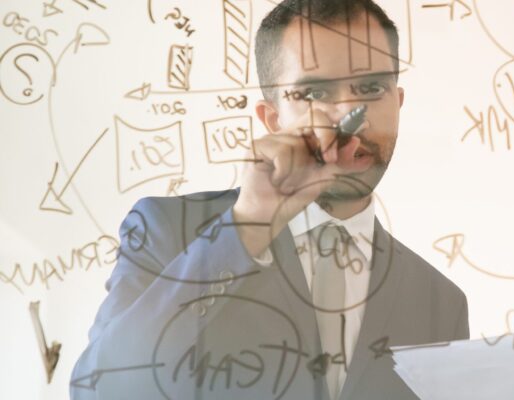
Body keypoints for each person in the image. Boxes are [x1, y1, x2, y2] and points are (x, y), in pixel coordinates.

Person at [70, 1, 468, 399]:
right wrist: (248, 227)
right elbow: (98, 390)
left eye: (372, 88)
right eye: (315, 92)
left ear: (398, 102)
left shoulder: (440, 303)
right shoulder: (167, 231)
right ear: (273, 119)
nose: (352, 115)